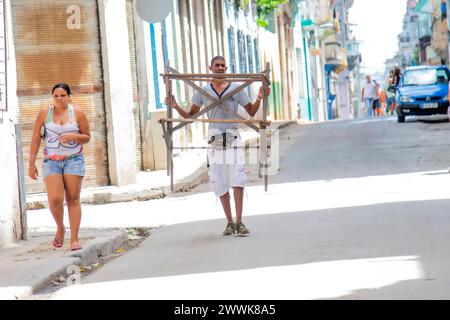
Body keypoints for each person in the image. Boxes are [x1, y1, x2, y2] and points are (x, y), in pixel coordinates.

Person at [165, 56, 270, 236]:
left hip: (233, 137)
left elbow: (251, 111)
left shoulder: (236, 88)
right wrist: (175, 106)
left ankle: (240, 221)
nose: (220, 68)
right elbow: (191, 116)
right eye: (217, 65)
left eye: (223, 65)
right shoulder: (203, 91)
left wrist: (260, 97)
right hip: (214, 140)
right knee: (220, 181)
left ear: (226, 68)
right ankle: (229, 222)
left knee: (238, 178)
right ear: (210, 68)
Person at [28, 83, 90, 251]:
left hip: (74, 160)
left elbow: (87, 137)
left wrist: (74, 136)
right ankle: (61, 228)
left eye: (62, 95)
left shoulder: (78, 113)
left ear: (69, 96)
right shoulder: (44, 114)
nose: (59, 98)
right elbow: (35, 139)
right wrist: (31, 163)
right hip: (51, 162)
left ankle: (74, 239)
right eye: (55, 96)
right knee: (55, 200)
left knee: (73, 199)